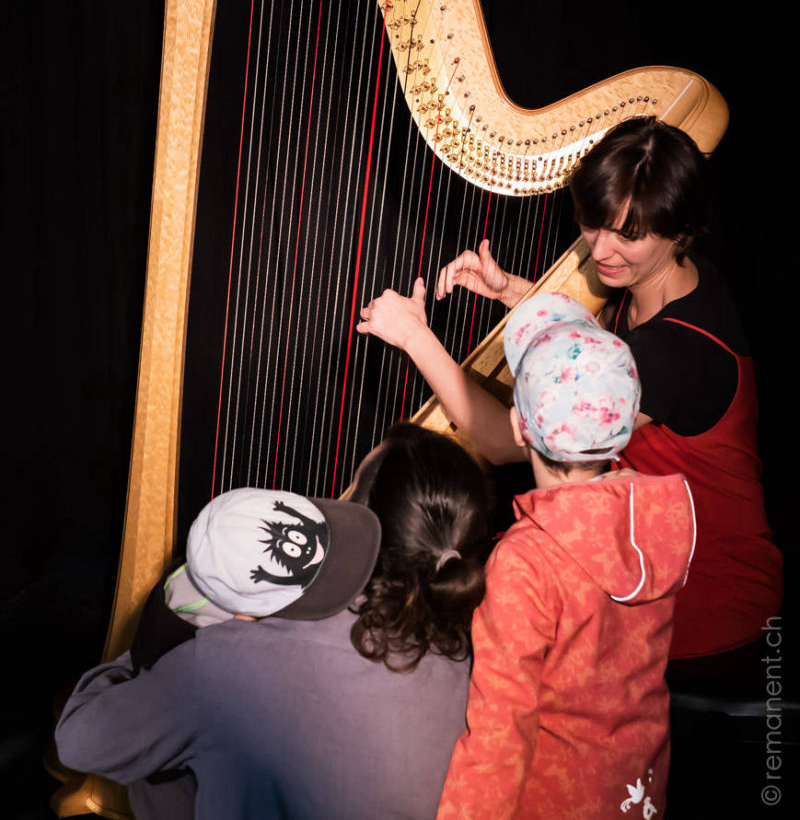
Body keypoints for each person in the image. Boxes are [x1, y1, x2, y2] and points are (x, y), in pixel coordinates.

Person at [359, 117, 781, 661]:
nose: (601, 251)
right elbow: (597, 343)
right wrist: (512, 292)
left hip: (703, 589)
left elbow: (502, 442)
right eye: (592, 224)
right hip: (639, 545)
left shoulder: (677, 355)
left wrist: (415, 337)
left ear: (679, 231)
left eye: (627, 236)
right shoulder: (675, 282)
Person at [56, 424, 491, 820]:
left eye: (351, 487)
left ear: (364, 521)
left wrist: (150, 653)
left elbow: (79, 740)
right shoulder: (473, 656)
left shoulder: (235, 658)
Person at [435, 292, 696, 820]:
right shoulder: (659, 514)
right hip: (636, 791)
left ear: (518, 427)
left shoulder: (525, 562)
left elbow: (498, 740)